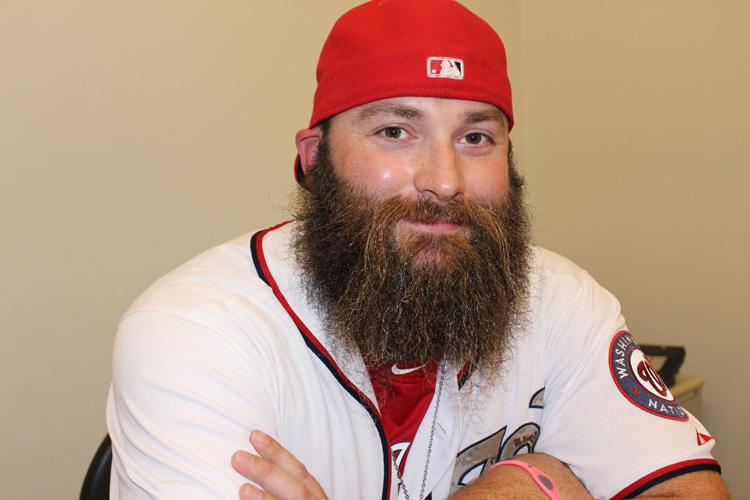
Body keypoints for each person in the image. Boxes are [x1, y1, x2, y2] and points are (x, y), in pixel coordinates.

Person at [106, 1, 729, 499]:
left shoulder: (562, 302)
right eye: (395, 131)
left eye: (477, 136)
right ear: (313, 159)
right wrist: (536, 485)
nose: (445, 179)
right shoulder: (196, 334)